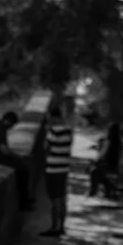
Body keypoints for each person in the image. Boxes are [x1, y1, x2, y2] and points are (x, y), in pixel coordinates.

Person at [41, 98, 75, 237]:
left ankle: (54, 227)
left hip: (52, 169)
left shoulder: (51, 132)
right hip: (64, 168)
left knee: (54, 200)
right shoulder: (68, 132)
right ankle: (61, 226)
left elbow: (46, 148)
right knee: (62, 198)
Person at [0, 110, 29, 207]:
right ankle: (23, 202)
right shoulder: (0, 129)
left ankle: (25, 199)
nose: (11, 128)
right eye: (12, 125)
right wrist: (18, 156)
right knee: (23, 170)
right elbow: (4, 150)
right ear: (8, 121)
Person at [88, 120, 123, 198]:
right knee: (100, 173)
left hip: (109, 164)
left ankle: (93, 191)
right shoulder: (120, 141)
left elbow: (103, 152)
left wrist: (96, 161)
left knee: (94, 172)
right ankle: (109, 190)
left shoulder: (109, 140)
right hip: (115, 165)